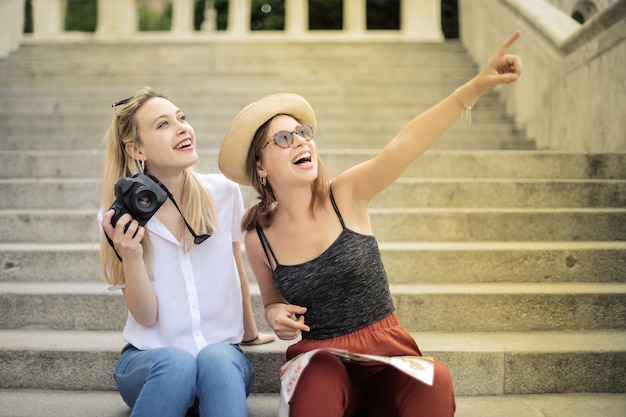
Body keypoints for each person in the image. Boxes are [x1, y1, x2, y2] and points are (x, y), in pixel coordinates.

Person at [218, 31, 523, 417]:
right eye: (282, 138)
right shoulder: (257, 236)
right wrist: (275, 315)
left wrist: (475, 88)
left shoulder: (347, 195)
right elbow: (274, 302)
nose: (300, 142)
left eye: (303, 132)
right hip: (320, 363)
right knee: (322, 373)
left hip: (387, 357)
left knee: (434, 378)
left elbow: (405, 144)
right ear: (260, 166)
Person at [98, 86, 274, 417]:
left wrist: (249, 334)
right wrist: (131, 255)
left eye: (181, 118)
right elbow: (146, 317)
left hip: (220, 363)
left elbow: (236, 267)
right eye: (163, 124)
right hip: (149, 364)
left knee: (218, 356)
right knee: (176, 362)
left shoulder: (222, 192)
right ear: (136, 148)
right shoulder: (118, 218)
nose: (182, 128)